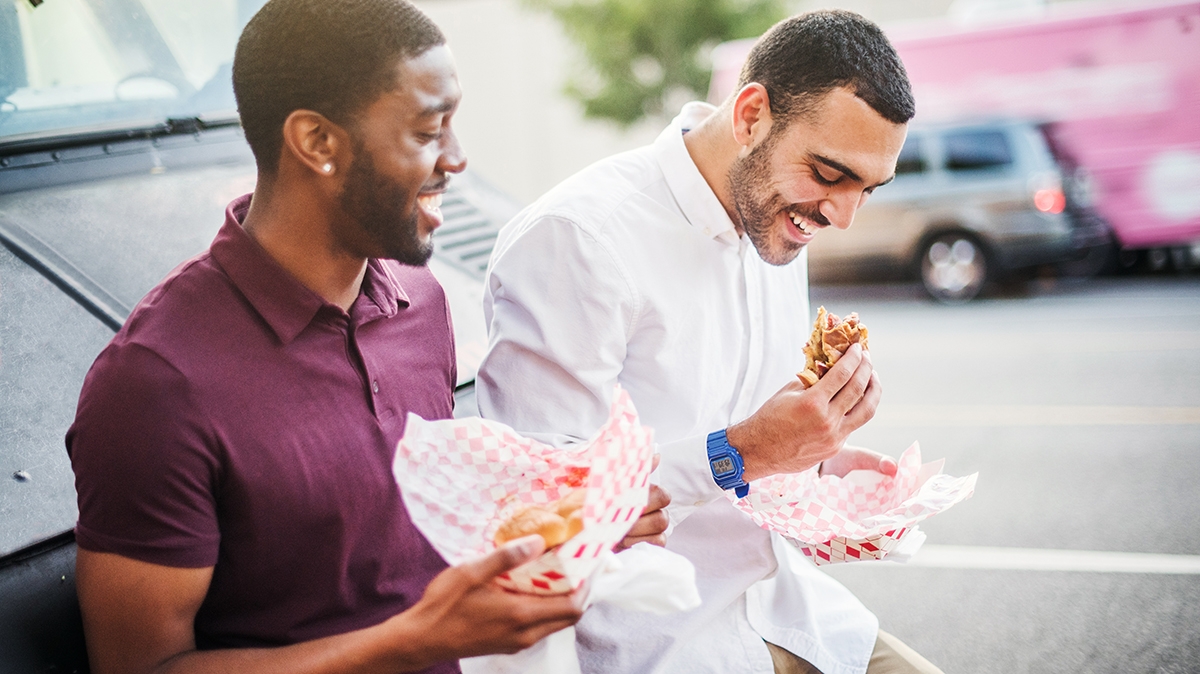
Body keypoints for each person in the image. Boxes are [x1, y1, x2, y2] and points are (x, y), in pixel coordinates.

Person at [65, 1, 664, 672]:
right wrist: (418, 639)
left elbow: (387, 539)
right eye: (428, 131)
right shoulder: (155, 383)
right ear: (317, 143)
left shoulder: (423, 301)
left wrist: (560, 517)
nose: (459, 159)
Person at [477, 10, 943, 674]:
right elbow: (539, 505)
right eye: (830, 173)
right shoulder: (579, 239)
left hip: (789, 609)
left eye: (866, 189)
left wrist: (815, 468)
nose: (841, 217)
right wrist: (744, 452)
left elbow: (747, 444)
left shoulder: (779, 220)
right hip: (652, 642)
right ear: (751, 115)